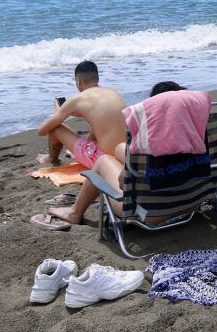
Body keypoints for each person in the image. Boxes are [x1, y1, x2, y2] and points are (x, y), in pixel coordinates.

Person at [44, 80, 191, 226]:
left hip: (149, 213)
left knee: (104, 161)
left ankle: (74, 212)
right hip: (190, 203)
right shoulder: (199, 136)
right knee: (121, 149)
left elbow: (122, 182)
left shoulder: (150, 140)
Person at [37, 61, 127, 169]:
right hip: (124, 154)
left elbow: (42, 131)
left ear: (78, 81)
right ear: (97, 78)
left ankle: (51, 158)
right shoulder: (113, 92)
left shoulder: (78, 99)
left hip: (103, 161)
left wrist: (58, 112)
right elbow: (98, 116)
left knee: (55, 128)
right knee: (99, 125)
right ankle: (82, 149)